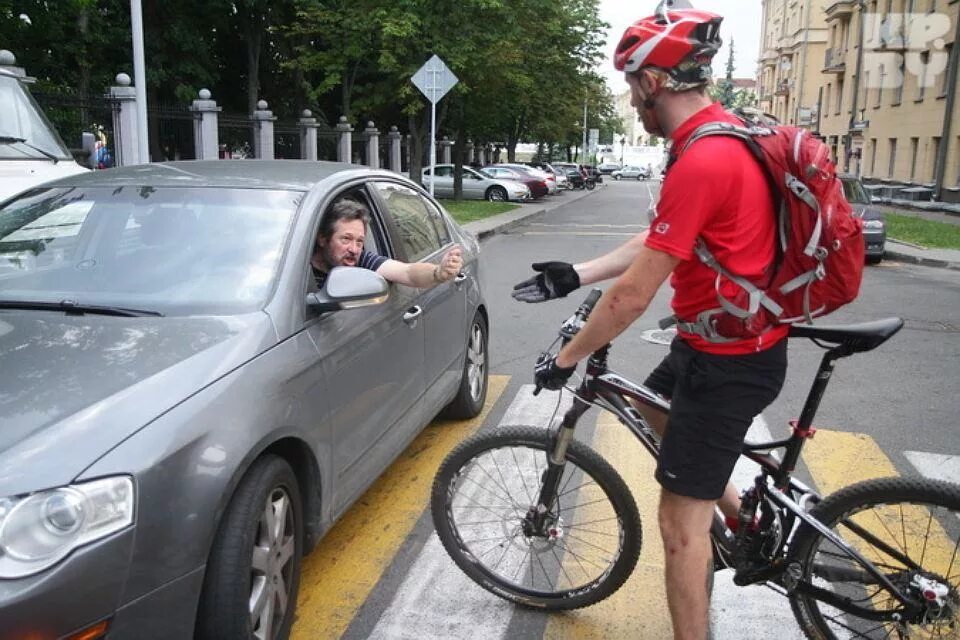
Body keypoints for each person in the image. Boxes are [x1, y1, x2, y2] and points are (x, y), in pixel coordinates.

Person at [511, 5, 786, 639]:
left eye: (633, 84)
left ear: (656, 81)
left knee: (679, 529)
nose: (632, 100)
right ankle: (744, 521)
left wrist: (566, 358)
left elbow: (634, 297)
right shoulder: (713, 137)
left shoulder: (704, 159)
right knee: (655, 405)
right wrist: (576, 273)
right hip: (708, 346)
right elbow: (661, 240)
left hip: (730, 363)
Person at [312, 198, 462, 289]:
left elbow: (407, 273)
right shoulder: (297, 273)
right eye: (346, 239)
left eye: (359, 241)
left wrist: (437, 273)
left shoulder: (361, 260)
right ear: (323, 239)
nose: (354, 249)